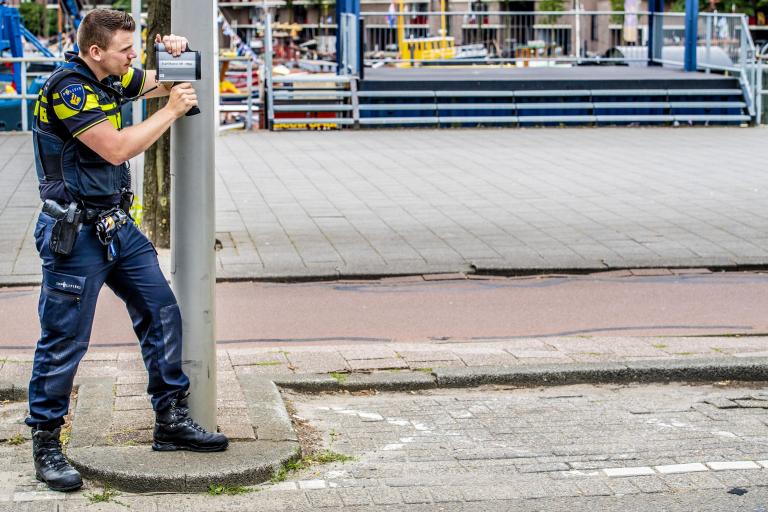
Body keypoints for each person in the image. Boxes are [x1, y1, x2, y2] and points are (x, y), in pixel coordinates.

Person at [27, 8, 228, 493]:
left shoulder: (111, 76)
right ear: (96, 51)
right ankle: (47, 444)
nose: (133, 57)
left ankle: (171, 421)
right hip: (75, 236)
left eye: (134, 49)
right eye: (126, 50)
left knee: (161, 313)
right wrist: (171, 110)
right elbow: (115, 148)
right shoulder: (69, 89)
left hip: (118, 228)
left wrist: (176, 55)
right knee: (65, 340)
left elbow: (159, 82)